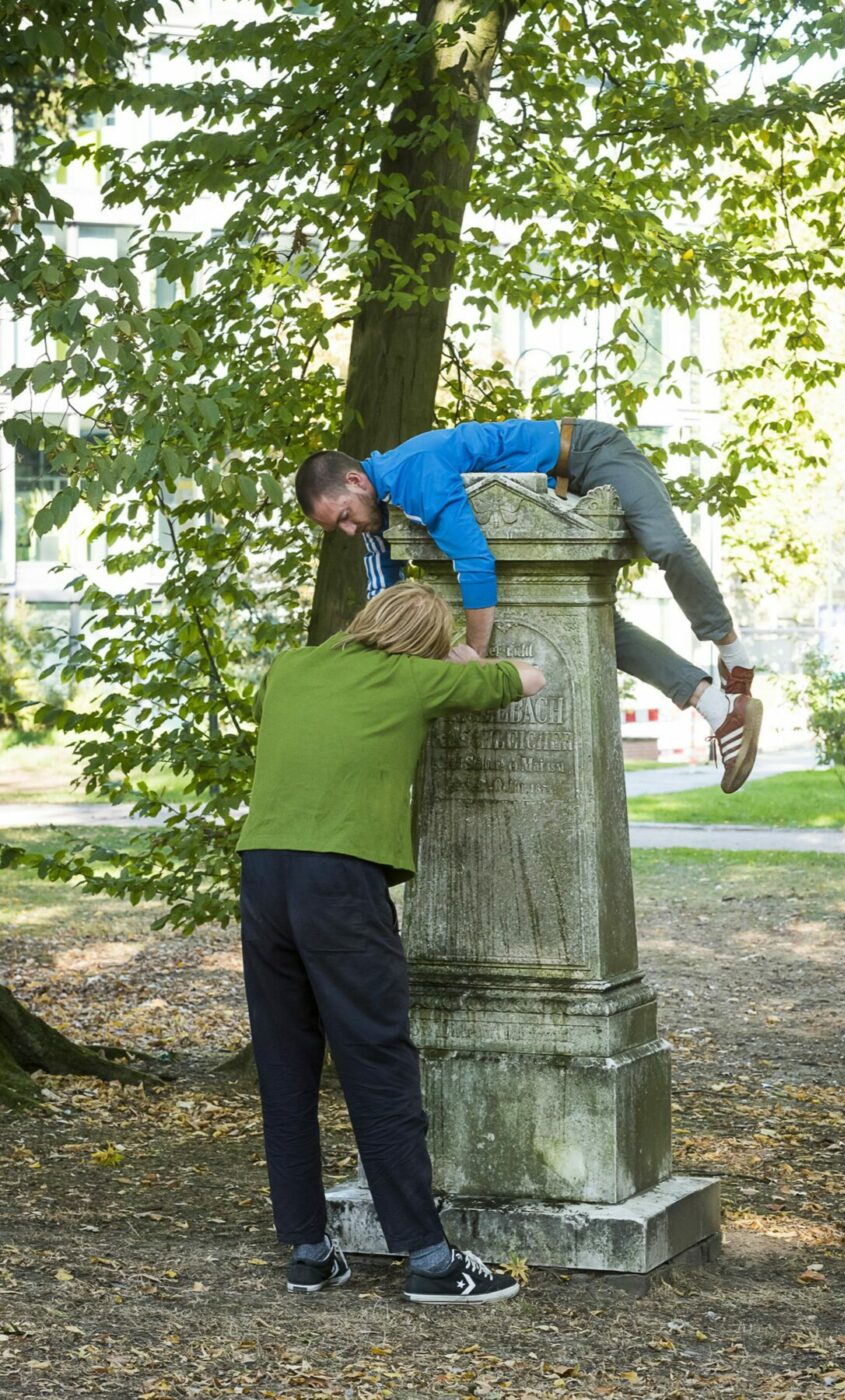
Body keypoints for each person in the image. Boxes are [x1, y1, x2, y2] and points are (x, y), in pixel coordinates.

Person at [236, 580, 545, 1304]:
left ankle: (309, 1252)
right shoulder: (416, 678)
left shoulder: (291, 667)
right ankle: (431, 1262)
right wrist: (466, 658)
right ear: (424, 644)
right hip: (338, 883)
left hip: (262, 873)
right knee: (377, 1063)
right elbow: (531, 677)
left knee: (285, 1066)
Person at [295, 418, 762, 793]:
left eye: (345, 517)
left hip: (587, 454)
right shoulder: (380, 510)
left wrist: (475, 659)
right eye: (338, 529)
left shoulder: (414, 473)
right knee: (594, 627)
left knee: (668, 545)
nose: (350, 531)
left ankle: (735, 658)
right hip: (549, 494)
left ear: (356, 481)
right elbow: (384, 602)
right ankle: (720, 709)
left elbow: (475, 563)